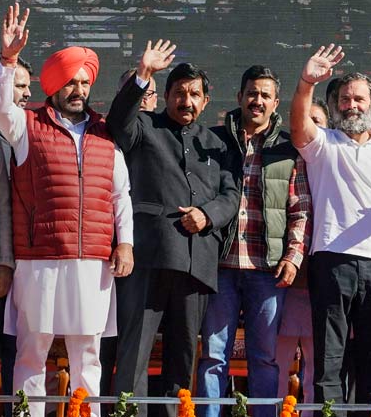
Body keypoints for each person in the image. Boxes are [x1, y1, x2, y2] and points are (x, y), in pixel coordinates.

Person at [0, 3, 134, 417]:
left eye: (84, 83)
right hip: (40, 259)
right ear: (53, 86)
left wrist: (124, 244)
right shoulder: (26, 125)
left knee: (88, 351)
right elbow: (1, 106)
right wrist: (9, 59)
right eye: (70, 83)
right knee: (32, 347)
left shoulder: (105, 132)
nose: (79, 90)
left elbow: (119, 194)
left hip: (92, 259)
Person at [106, 41, 238, 417]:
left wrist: (208, 215)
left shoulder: (217, 144)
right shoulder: (146, 127)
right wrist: (142, 75)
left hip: (197, 261)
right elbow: (118, 123)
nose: (187, 100)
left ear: (206, 101)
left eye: (195, 94)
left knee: (183, 354)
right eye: (179, 93)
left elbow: (232, 194)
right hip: (148, 255)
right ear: (165, 96)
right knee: (136, 350)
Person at [289, 44, 371, 410]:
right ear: (335, 103)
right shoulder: (323, 143)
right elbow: (298, 123)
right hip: (330, 261)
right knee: (329, 358)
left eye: (359, 99)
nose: (352, 105)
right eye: (344, 99)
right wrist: (307, 81)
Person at [196, 65, 311, 417]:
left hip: (267, 269)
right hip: (218, 267)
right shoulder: (213, 141)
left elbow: (300, 208)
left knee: (265, 358)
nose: (257, 100)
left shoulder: (288, 149)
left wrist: (292, 257)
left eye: (265, 95)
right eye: (251, 93)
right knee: (214, 356)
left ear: (276, 102)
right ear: (239, 97)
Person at [98, 67, 160, 414]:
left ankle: (126, 410)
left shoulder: (162, 131)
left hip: (144, 254)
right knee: (99, 341)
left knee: (134, 344)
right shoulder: (108, 132)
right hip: (100, 249)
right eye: (135, 93)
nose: (142, 100)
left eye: (148, 94)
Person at [0, 56, 30, 416]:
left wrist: (4, 262)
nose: (28, 94)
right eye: (20, 86)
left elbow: (2, 207)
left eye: (28, 87)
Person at [276, 96, 329, 404]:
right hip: (282, 279)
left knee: (316, 369)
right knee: (276, 362)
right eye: (304, 120)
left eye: (317, 121)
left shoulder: (333, 163)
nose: (308, 127)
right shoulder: (283, 161)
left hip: (319, 284)